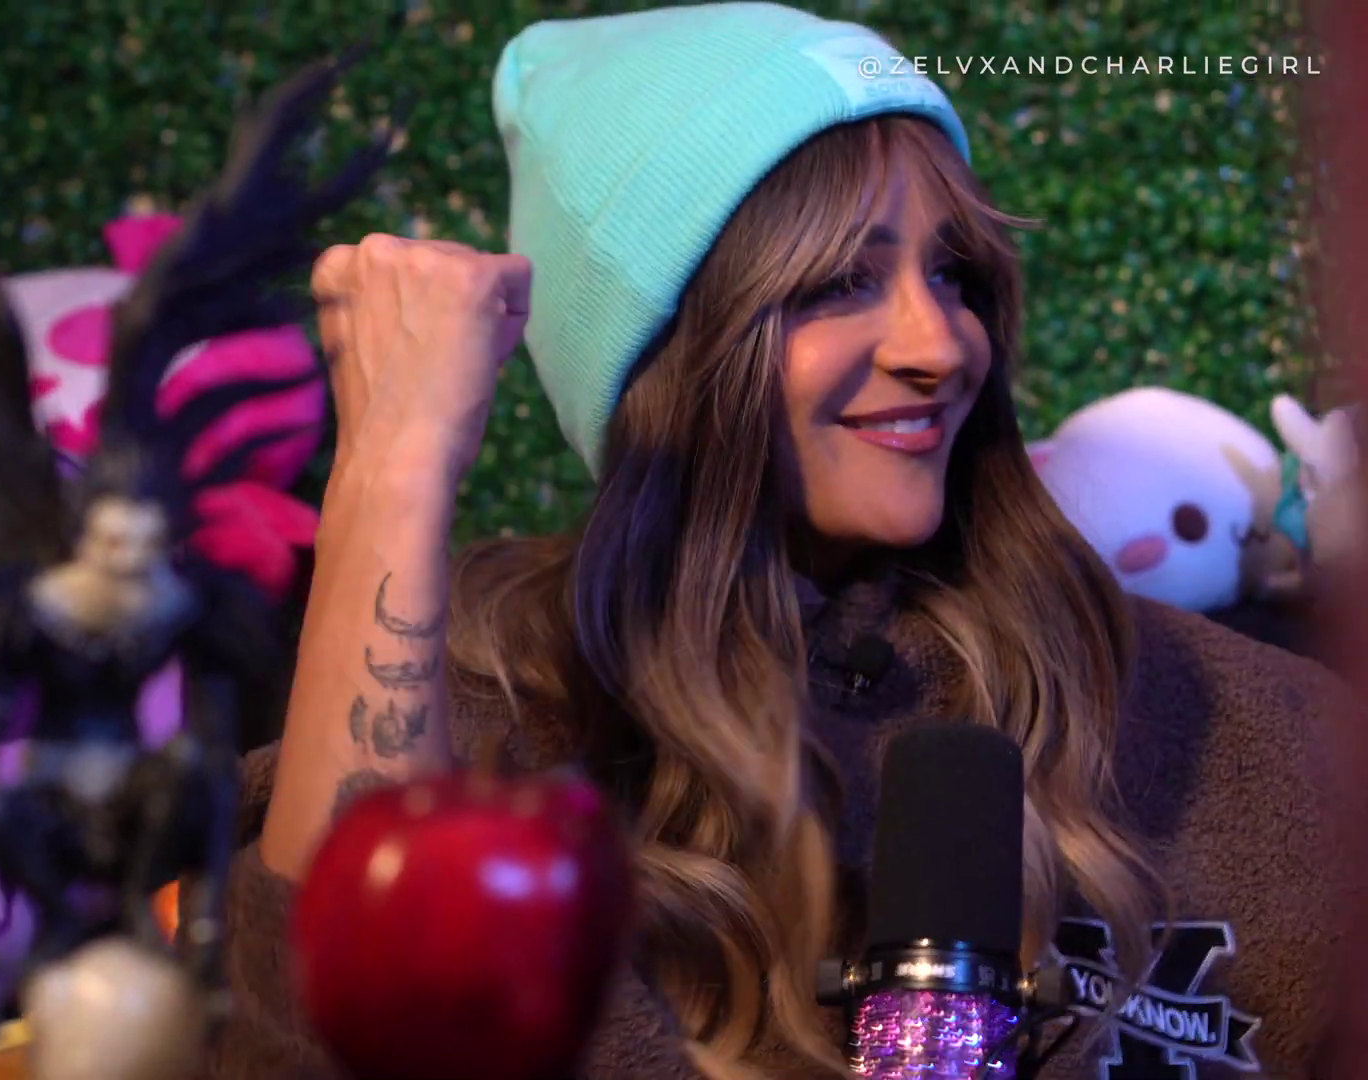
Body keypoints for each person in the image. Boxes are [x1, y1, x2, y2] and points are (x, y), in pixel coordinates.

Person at [204, 4, 1355, 1079]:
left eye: (952, 272)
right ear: (674, 359)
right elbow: (316, 1046)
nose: (940, 346)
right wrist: (395, 464)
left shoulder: (1256, 731)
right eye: (838, 282)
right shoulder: (492, 716)